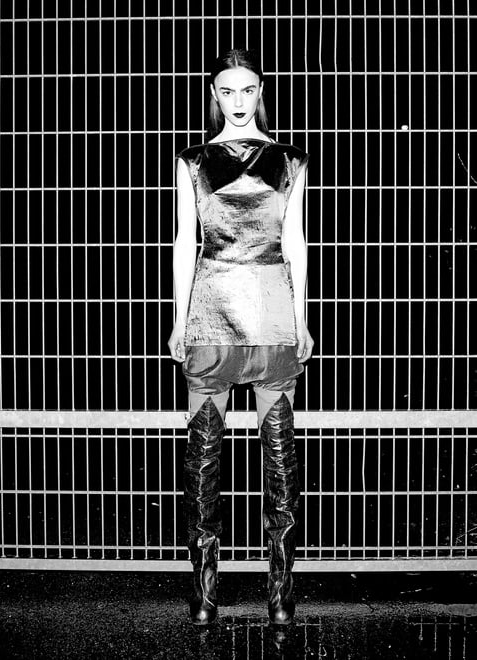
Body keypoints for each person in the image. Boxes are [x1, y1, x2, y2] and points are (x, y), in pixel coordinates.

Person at [168, 48, 314, 626]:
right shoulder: (194, 162)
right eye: (226, 90)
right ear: (214, 95)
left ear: (260, 92)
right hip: (214, 318)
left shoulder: (289, 161)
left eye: (247, 89)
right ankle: (212, 595)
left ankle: (276, 596)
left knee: (279, 461)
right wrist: (178, 318)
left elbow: (295, 242)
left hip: (270, 318)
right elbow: (185, 242)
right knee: (204, 461)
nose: (237, 100)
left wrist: (303, 318)